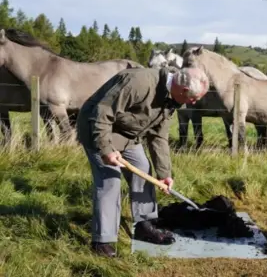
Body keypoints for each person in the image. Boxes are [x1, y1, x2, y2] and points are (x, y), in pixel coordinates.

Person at [76, 65, 210, 258]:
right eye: (194, 98)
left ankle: (144, 225)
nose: (194, 103)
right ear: (184, 90)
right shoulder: (139, 83)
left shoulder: (172, 99)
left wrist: (164, 174)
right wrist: (106, 149)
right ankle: (102, 241)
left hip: (128, 134)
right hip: (97, 128)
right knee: (110, 180)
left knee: (143, 167)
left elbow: (159, 137)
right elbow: (102, 112)